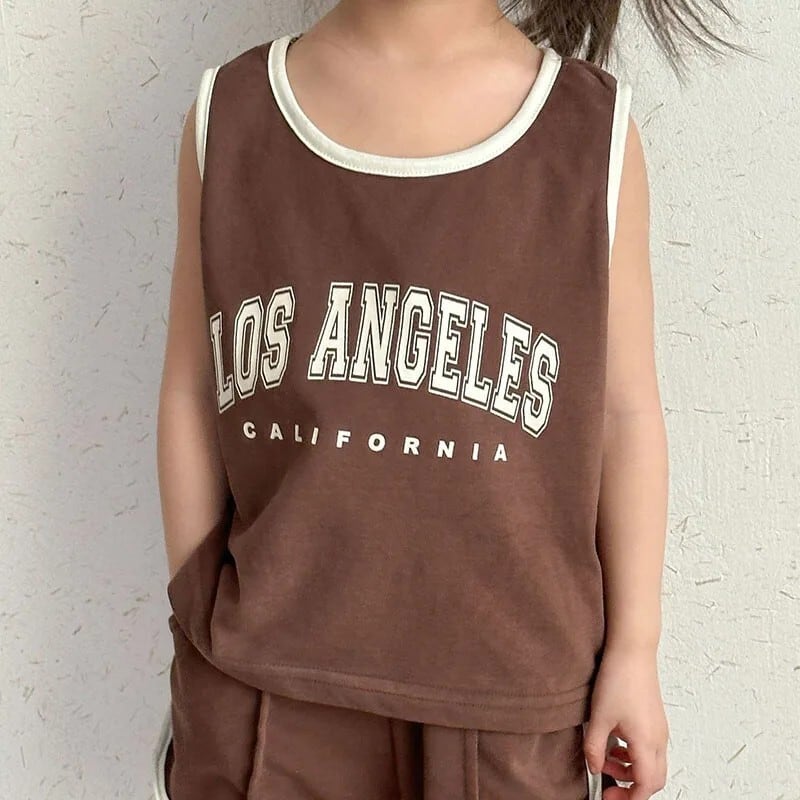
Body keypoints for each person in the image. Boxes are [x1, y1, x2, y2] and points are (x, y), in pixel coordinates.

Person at [154, 1, 740, 798]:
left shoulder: (591, 134)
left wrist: (636, 649)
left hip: (516, 706)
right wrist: (198, 612)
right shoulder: (231, 114)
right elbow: (192, 388)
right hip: (268, 689)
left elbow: (624, 415)